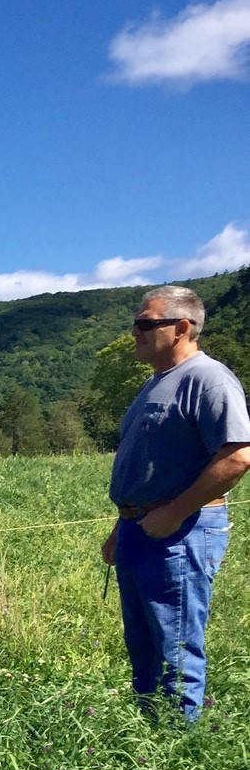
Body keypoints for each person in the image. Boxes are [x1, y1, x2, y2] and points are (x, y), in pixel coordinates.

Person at [102, 286, 250, 721]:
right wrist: (122, 525)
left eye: (147, 324)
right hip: (140, 529)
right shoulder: (155, 383)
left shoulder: (208, 379)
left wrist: (173, 513)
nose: (135, 332)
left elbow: (238, 455)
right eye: (135, 323)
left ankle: (177, 752)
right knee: (144, 645)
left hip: (181, 532)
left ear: (183, 327)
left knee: (175, 644)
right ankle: (148, 735)